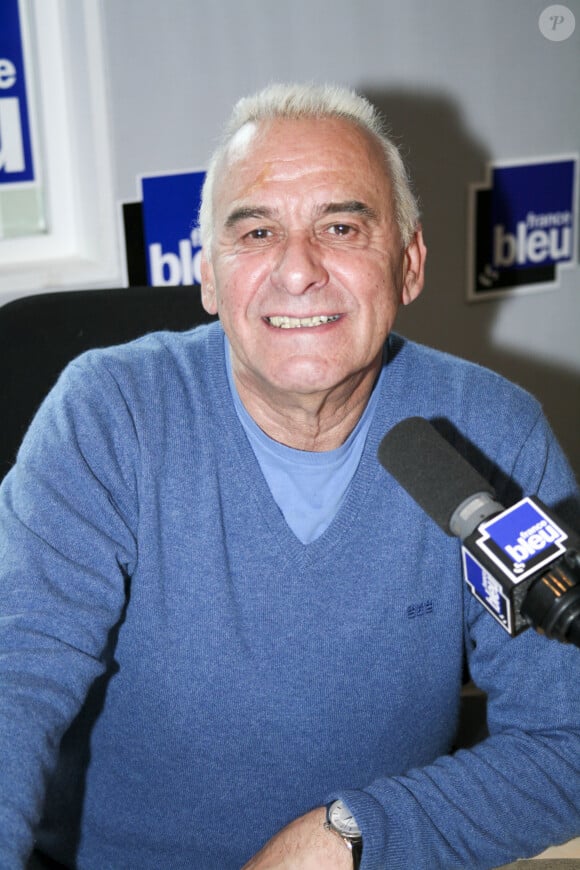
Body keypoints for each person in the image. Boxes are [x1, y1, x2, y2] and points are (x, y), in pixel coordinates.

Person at [0, 83, 579, 870]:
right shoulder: (110, 415)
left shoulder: (494, 434)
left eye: (341, 226)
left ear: (408, 264)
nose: (298, 269)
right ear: (208, 278)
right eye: (257, 231)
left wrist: (353, 835)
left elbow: (567, 738)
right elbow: (12, 681)